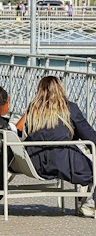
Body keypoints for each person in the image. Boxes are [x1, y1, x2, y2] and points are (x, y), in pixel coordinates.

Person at [19, 76, 96, 217]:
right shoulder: (70, 109)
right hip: (64, 164)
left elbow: (25, 135)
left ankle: (85, 199)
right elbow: (90, 137)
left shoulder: (33, 109)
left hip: (35, 164)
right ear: (60, 89)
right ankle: (90, 203)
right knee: (92, 168)